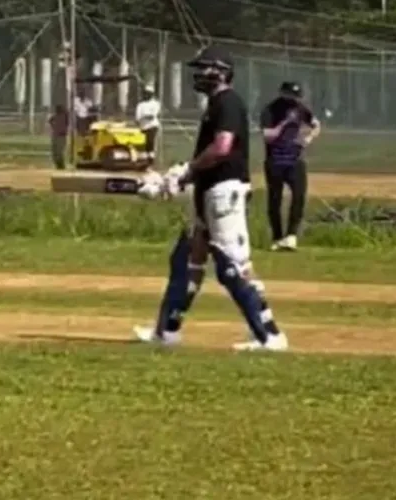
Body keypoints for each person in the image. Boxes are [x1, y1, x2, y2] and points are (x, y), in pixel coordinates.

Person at [133, 47, 288, 352]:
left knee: (233, 266)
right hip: (208, 190)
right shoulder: (215, 104)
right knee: (187, 258)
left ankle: (269, 336)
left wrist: (187, 170)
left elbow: (222, 148)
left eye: (204, 69)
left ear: (220, 71)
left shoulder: (228, 102)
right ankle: (167, 332)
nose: (198, 75)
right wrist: (174, 180)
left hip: (223, 192)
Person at [261, 81, 321, 251]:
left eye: (296, 96)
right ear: (282, 93)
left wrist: (308, 138)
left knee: (299, 196)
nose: (294, 100)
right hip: (275, 161)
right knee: (275, 200)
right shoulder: (270, 110)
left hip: (295, 160)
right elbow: (267, 136)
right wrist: (283, 124)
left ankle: (291, 235)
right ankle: (277, 237)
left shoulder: (301, 109)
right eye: (291, 95)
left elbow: (316, 124)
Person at [134, 84, 162, 164]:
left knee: (150, 142)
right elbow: (137, 118)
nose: (146, 95)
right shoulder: (140, 105)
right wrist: (144, 117)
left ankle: (151, 159)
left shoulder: (155, 104)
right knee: (143, 144)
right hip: (143, 127)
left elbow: (152, 116)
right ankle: (144, 160)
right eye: (145, 93)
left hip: (152, 126)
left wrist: (143, 117)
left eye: (148, 93)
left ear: (151, 94)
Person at [48, 104, 70, 170]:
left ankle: (61, 165)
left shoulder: (65, 116)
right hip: (55, 135)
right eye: (57, 109)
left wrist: (64, 129)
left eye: (59, 109)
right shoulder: (55, 116)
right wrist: (53, 126)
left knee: (60, 151)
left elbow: (68, 121)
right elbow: (50, 120)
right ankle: (58, 165)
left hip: (62, 136)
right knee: (55, 151)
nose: (58, 110)